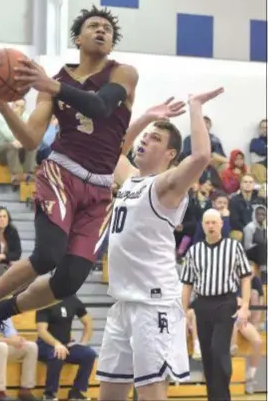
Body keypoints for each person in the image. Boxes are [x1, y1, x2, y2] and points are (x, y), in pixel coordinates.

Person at [0, 5, 185, 352]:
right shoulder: (52, 83)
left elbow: (99, 106)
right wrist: (1, 104)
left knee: (68, 280)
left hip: (99, 187)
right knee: (48, 255)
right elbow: (30, 139)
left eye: (107, 29)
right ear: (78, 38)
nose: (102, 31)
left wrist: (50, 85)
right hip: (60, 173)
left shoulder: (124, 73)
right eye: (93, 26)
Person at [95, 88, 224, 401]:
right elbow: (110, 149)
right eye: (146, 136)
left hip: (154, 306)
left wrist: (194, 107)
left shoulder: (167, 186)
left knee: (151, 394)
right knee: (109, 395)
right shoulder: (130, 179)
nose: (145, 140)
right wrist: (146, 119)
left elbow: (202, 157)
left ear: (170, 155)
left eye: (155, 139)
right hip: (124, 303)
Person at [181, 209, 252, 401]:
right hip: (202, 304)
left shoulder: (233, 247)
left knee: (218, 350)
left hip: (225, 302)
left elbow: (246, 277)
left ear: (221, 224)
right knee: (207, 355)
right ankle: (217, 397)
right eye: (207, 223)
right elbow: (187, 283)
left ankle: (220, 397)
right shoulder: (194, 251)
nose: (210, 226)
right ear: (202, 226)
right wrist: (182, 310)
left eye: (214, 222)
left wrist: (245, 306)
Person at [36, 295, 96, 401]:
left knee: (89, 354)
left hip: (66, 345)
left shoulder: (73, 300)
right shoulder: (44, 301)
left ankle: (76, 392)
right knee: (58, 354)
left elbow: (88, 323)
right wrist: (57, 344)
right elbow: (42, 331)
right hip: (44, 344)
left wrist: (83, 343)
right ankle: (50, 394)